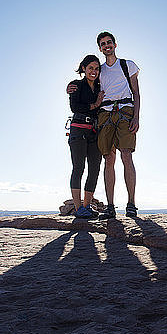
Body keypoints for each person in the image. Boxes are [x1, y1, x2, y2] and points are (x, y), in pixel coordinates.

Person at [68, 32, 141, 219]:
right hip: (104, 115)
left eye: (109, 42)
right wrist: (71, 86)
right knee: (108, 158)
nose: (107, 45)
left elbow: (136, 93)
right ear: (100, 48)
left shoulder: (128, 65)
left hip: (125, 112)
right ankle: (110, 207)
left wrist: (136, 117)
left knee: (126, 155)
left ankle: (131, 204)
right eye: (103, 44)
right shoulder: (99, 70)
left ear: (115, 45)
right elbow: (86, 84)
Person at [67, 55, 104, 219]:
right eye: (90, 68)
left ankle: (87, 206)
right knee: (79, 168)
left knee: (95, 169)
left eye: (96, 68)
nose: (94, 71)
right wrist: (95, 105)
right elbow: (74, 107)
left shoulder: (99, 87)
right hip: (78, 130)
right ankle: (78, 208)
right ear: (83, 68)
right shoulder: (76, 85)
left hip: (94, 132)